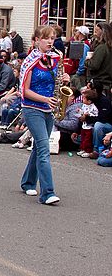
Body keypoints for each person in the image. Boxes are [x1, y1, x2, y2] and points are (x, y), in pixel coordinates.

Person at [19, 25, 67, 205]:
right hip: (32, 108)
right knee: (44, 148)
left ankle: (28, 182)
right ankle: (47, 192)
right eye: (46, 38)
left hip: (49, 109)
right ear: (37, 40)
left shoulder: (55, 58)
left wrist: (64, 79)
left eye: (52, 38)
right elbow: (24, 90)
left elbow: (57, 80)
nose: (49, 42)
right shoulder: (29, 61)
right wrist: (45, 99)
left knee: (39, 148)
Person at [85, 22, 112, 96]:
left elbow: (94, 65)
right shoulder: (108, 46)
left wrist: (87, 61)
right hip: (106, 84)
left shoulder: (102, 48)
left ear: (103, 32)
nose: (95, 33)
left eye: (96, 31)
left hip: (99, 85)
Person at [76, 89, 99, 158]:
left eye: (84, 98)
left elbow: (95, 115)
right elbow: (82, 112)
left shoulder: (93, 107)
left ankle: (88, 150)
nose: (82, 100)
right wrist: (80, 111)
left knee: (88, 139)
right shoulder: (84, 105)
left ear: (89, 101)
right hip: (84, 126)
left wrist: (87, 115)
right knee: (83, 137)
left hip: (89, 127)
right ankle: (83, 149)